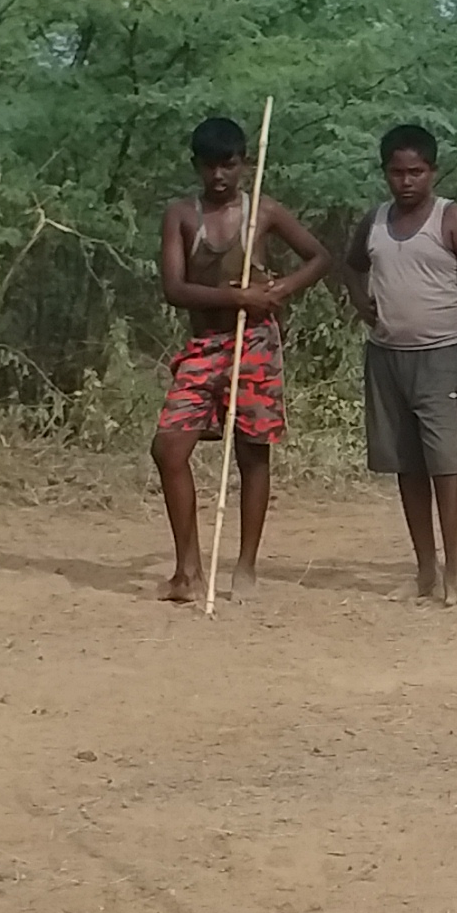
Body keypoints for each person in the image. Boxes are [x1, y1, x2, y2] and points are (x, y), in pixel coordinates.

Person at [151, 115, 325, 603]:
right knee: (168, 449)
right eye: (209, 167)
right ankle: (188, 569)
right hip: (204, 347)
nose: (219, 177)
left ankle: (245, 566)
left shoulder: (263, 212)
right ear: (196, 167)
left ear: (244, 163)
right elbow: (174, 288)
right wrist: (237, 299)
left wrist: (279, 290)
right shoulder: (182, 216)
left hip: (255, 345)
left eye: (228, 165)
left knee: (252, 451)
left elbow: (318, 256)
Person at [342, 122, 457, 601]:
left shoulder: (451, 219)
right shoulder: (374, 220)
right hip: (387, 356)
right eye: (397, 172)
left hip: (442, 356)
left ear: (432, 171)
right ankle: (425, 570)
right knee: (406, 466)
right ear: (385, 173)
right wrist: (358, 299)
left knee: (446, 466)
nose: (407, 181)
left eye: (416, 172)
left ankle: (454, 572)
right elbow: (350, 264)